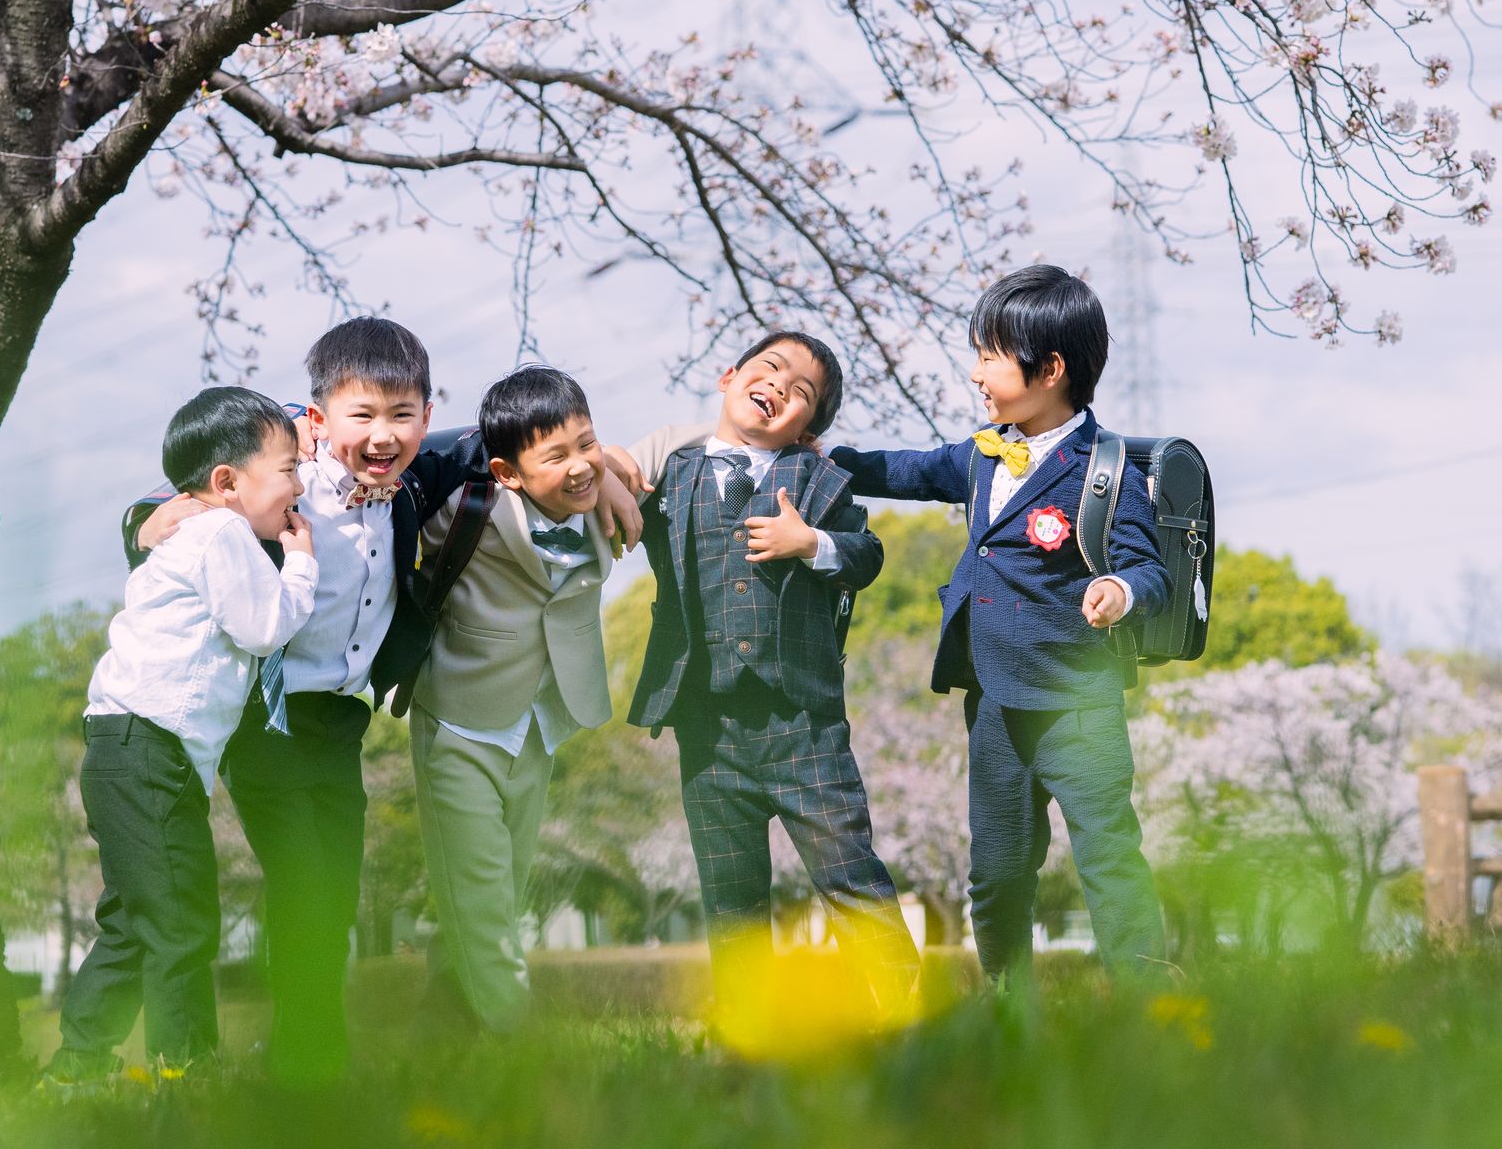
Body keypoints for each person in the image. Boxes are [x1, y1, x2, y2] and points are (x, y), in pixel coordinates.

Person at [123, 318, 644, 1080]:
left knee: (331, 897)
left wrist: (616, 471)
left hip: (340, 723)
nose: (382, 435)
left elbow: (510, 440)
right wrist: (146, 512)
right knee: (303, 887)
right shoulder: (274, 483)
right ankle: (283, 1061)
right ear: (314, 421)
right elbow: (192, 484)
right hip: (261, 721)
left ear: (427, 419)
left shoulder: (421, 474)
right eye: (360, 416)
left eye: (403, 416)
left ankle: (312, 1055)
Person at [831, 264, 1172, 989]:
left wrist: (1117, 588)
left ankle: (1153, 1006)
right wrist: (823, 458)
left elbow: (1149, 568)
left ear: (1049, 369)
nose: (977, 372)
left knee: (1109, 859)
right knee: (996, 873)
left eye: (989, 354)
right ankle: (1010, 1007)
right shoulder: (986, 451)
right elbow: (912, 469)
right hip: (992, 702)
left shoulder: (1105, 469)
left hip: (1079, 703)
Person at [402, 366, 703, 1031]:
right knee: (479, 891)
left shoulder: (598, 493)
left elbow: (687, 435)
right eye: (556, 455)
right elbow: (388, 476)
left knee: (499, 886)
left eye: (586, 443)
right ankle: (515, 1035)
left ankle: (448, 1033)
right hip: (458, 721)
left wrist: (618, 468)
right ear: (508, 471)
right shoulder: (468, 510)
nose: (578, 466)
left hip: (537, 725)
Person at [629, 331, 918, 1009]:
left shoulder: (819, 484)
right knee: (732, 903)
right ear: (730, 378)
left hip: (802, 725)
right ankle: (749, 1035)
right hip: (706, 726)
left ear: (808, 427)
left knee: (851, 876)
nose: (780, 391)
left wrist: (810, 542)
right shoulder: (673, 475)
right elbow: (606, 490)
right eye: (770, 371)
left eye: (802, 395)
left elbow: (866, 555)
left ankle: (910, 1012)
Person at [47, 387, 316, 1083]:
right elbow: (262, 628)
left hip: (123, 749)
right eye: (287, 469)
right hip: (150, 751)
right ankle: (186, 1073)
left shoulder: (198, 530)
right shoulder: (222, 534)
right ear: (227, 482)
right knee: (183, 922)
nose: (299, 482)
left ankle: (78, 1063)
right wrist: (303, 560)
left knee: (138, 920)